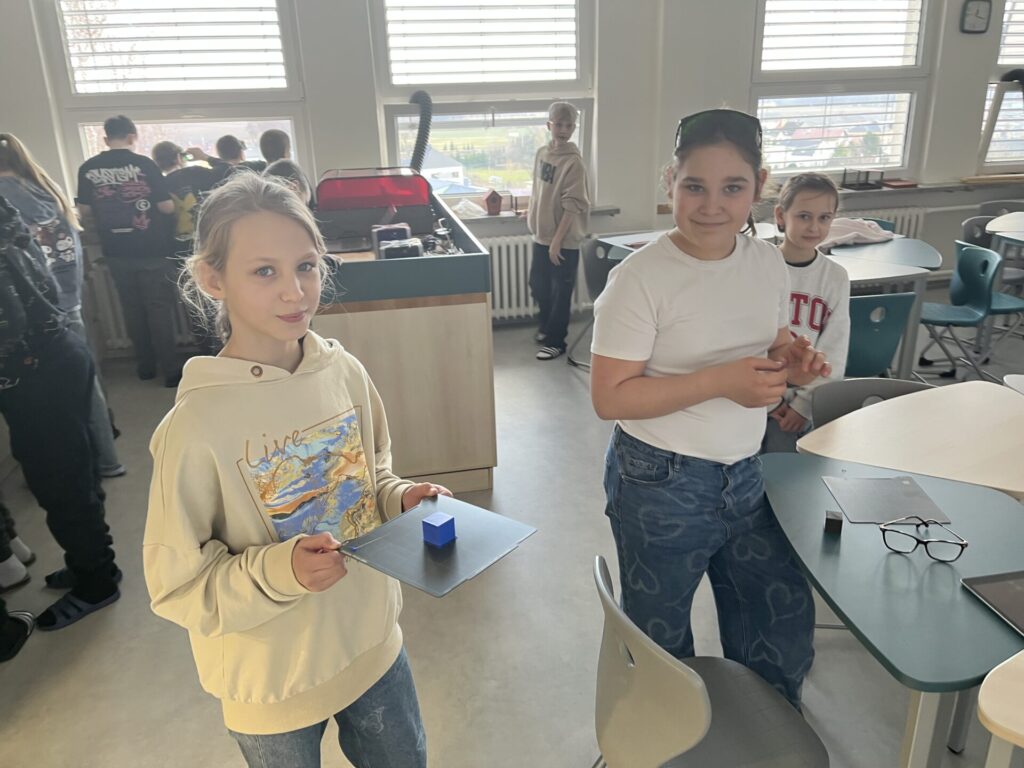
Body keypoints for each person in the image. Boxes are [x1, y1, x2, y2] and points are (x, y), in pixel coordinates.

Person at [144, 173, 450, 767]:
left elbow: (370, 478)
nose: (295, 292)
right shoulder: (195, 424)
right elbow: (178, 586)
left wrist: (400, 499)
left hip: (372, 645)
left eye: (306, 266)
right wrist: (282, 571)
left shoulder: (342, 372)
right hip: (272, 682)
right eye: (265, 271)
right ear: (213, 279)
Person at [590, 109, 832, 709]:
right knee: (661, 638)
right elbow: (610, 396)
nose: (712, 206)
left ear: (760, 187)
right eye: (694, 186)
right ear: (669, 181)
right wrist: (719, 383)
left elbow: (773, 342)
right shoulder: (640, 279)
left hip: (746, 471)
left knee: (777, 617)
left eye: (733, 187)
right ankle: (674, 737)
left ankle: (764, 731)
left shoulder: (765, 262)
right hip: (659, 480)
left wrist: (793, 362)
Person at [0, 195, 121, 630]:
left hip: (35, 370)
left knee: (60, 482)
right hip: (57, 351)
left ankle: (96, 581)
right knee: (75, 473)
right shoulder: (9, 209)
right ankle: (95, 562)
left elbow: (9, 322)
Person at [0, 133, 125, 477]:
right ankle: (107, 457)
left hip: (35, 313)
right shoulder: (44, 189)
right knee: (86, 382)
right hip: (68, 299)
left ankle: (72, 465)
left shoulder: (4, 198)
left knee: (45, 401)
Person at [76, 115, 181, 387]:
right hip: (152, 249)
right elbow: (166, 207)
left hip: (116, 250)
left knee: (131, 310)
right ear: (132, 136)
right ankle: (171, 371)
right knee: (159, 310)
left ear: (105, 138)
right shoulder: (145, 165)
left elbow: (84, 211)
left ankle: (145, 367)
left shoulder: (88, 168)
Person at [762, 173, 850, 453]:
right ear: (781, 215)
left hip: (801, 408)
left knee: (785, 470)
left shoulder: (836, 277)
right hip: (755, 397)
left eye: (824, 218)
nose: (814, 227)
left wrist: (804, 406)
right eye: (803, 216)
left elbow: (835, 349)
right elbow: (746, 340)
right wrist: (771, 402)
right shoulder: (759, 267)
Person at [526, 101, 590, 361]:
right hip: (542, 236)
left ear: (574, 128)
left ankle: (556, 341)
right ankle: (546, 326)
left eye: (568, 125)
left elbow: (572, 205)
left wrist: (557, 241)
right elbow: (539, 190)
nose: (563, 130)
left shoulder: (574, 163)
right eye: (558, 124)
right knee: (538, 284)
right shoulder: (542, 153)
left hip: (564, 241)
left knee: (561, 292)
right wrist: (532, 213)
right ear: (549, 125)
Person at [152, 141, 221, 355]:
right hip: (211, 245)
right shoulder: (198, 173)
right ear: (179, 157)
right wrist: (206, 157)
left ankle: (206, 353)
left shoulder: (160, 185)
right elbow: (231, 170)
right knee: (220, 299)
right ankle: (226, 349)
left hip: (180, 252)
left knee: (195, 306)